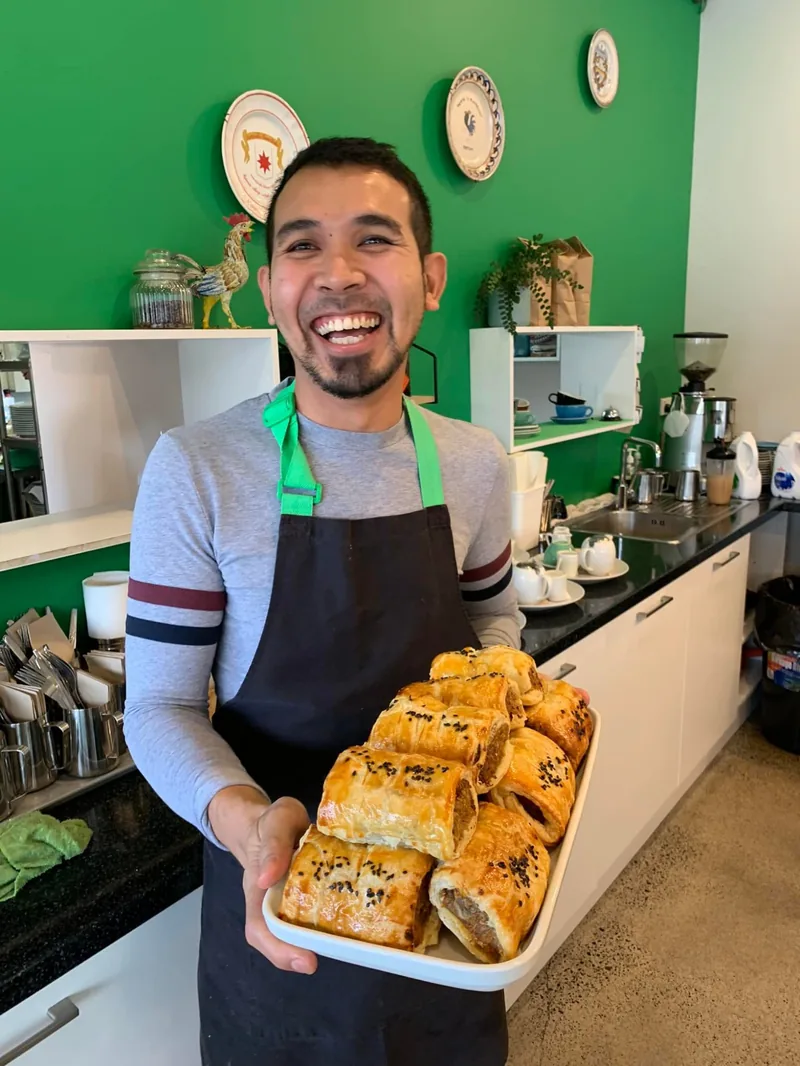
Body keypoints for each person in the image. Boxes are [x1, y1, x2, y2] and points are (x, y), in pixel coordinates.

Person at [125, 137, 520, 1066]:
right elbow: (161, 706)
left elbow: (496, 621)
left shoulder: (473, 463)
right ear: (269, 287)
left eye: (372, 242)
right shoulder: (198, 470)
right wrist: (248, 823)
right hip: (279, 906)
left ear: (428, 278)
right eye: (303, 247)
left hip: (445, 917)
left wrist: (512, 713)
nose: (337, 276)